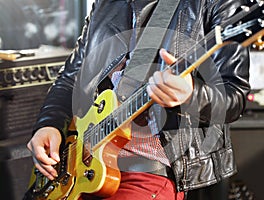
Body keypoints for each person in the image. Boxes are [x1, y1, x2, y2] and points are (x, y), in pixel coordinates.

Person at [26, 0, 250, 199]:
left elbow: (234, 96)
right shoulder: (106, 4)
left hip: (150, 169)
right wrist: (49, 124)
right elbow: (70, 78)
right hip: (81, 162)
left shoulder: (218, 3)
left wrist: (190, 96)